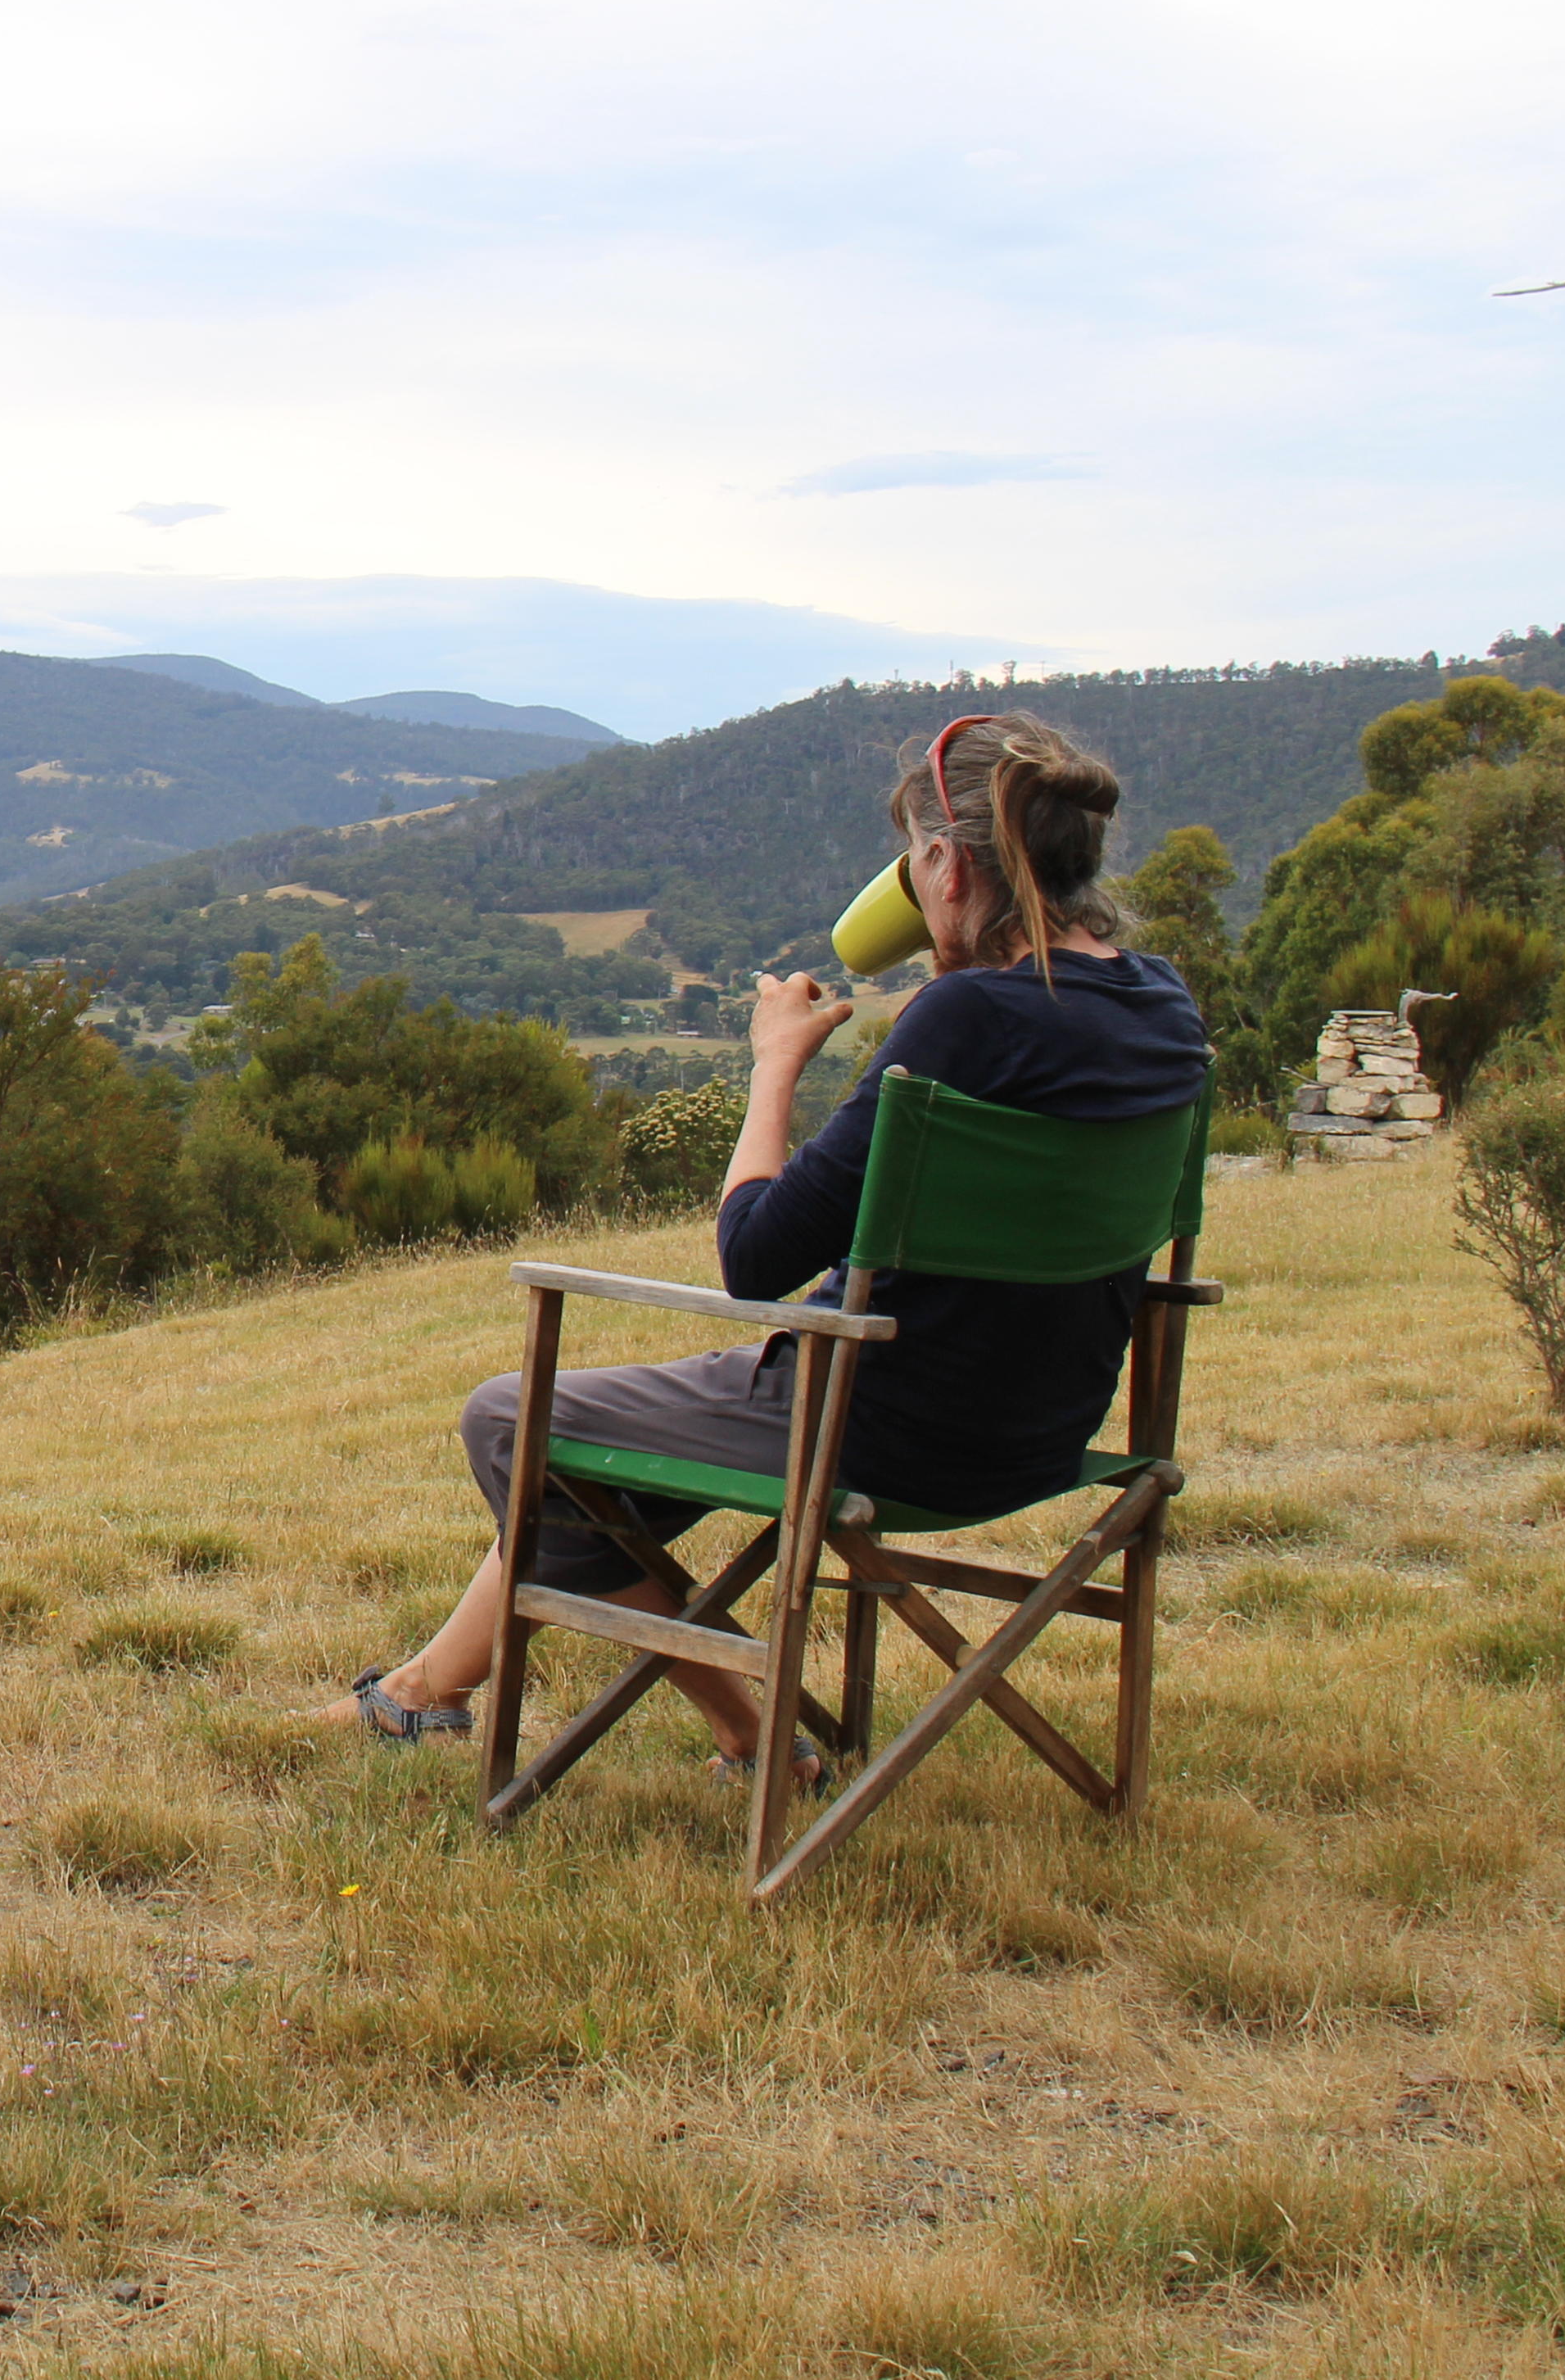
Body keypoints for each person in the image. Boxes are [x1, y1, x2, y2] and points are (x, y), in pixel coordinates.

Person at [308, 710, 1212, 1775]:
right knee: (585, 1473)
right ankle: (423, 1690)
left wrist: (774, 1062)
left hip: (869, 1424)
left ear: (944, 865)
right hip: (1044, 1426)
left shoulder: (967, 1017)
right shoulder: (1163, 1003)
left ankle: (751, 1728)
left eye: (915, 860)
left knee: (512, 1422)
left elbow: (757, 1255)